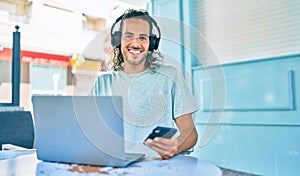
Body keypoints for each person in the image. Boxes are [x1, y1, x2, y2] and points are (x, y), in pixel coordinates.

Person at [92, 9, 198, 159]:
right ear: (118, 40)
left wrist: (176, 145)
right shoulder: (102, 82)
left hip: (156, 164)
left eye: (142, 37)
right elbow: (92, 131)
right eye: (129, 36)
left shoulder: (169, 77)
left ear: (152, 43)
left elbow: (190, 133)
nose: (136, 43)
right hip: (114, 164)